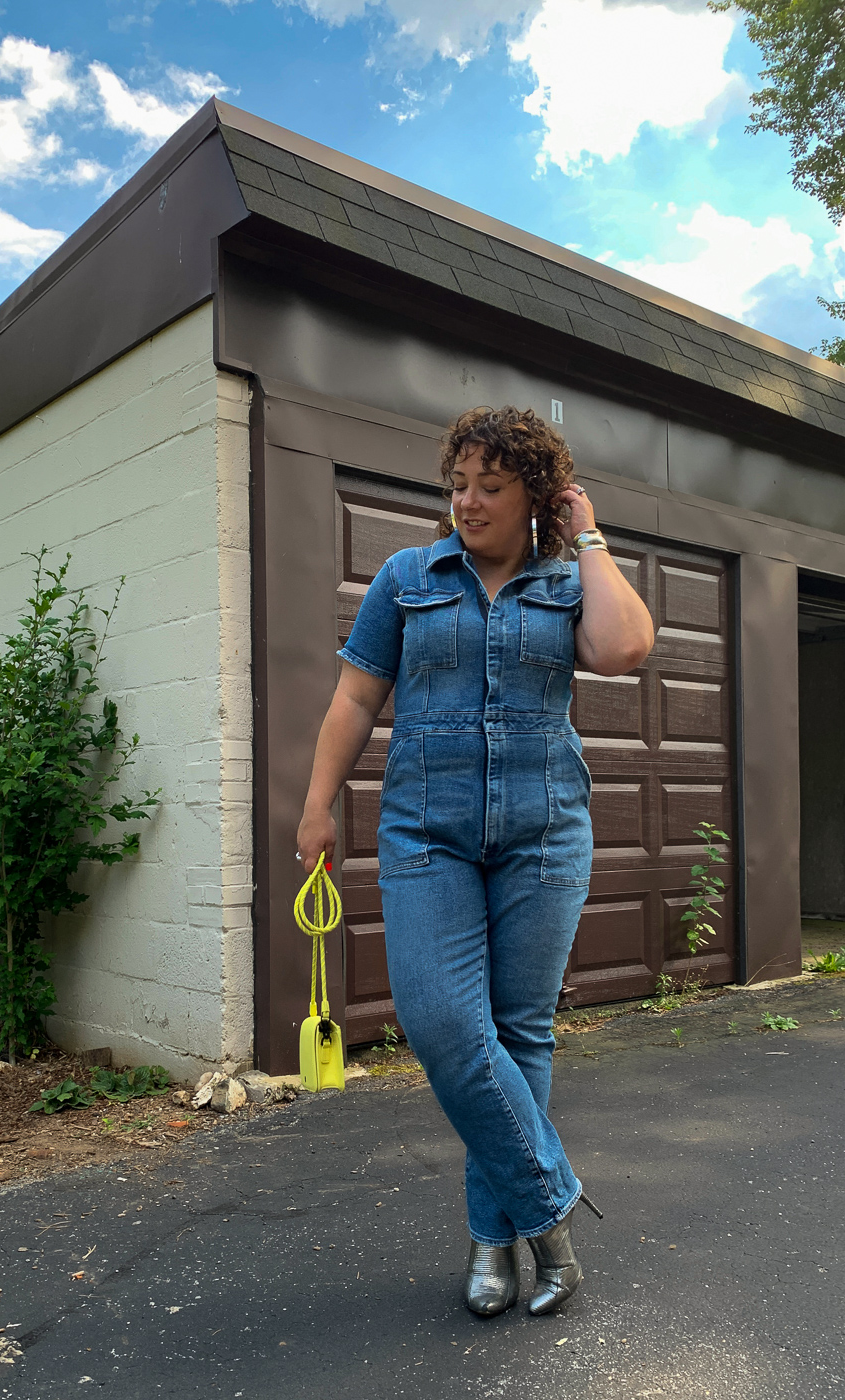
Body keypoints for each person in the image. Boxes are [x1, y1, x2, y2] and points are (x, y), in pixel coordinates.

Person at [296, 405, 654, 1317]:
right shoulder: (406, 576)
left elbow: (622, 648)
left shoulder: (568, 579)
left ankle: (493, 1241)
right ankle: (553, 1221)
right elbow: (353, 696)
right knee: (445, 1025)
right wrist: (314, 806)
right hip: (425, 831)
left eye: (489, 486)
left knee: (518, 1032)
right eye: (457, 485)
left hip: (543, 832)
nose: (466, 502)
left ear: (534, 494)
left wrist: (589, 534)